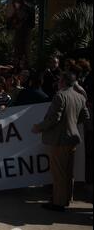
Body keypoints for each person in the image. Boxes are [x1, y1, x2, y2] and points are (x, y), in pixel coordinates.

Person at [32, 72, 90, 211]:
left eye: (59, 80)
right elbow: (85, 116)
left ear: (63, 82)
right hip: (73, 138)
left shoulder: (60, 95)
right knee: (68, 172)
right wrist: (72, 123)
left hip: (60, 139)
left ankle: (58, 202)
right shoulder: (80, 97)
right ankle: (66, 198)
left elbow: (54, 119)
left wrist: (38, 128)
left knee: (59, 173)